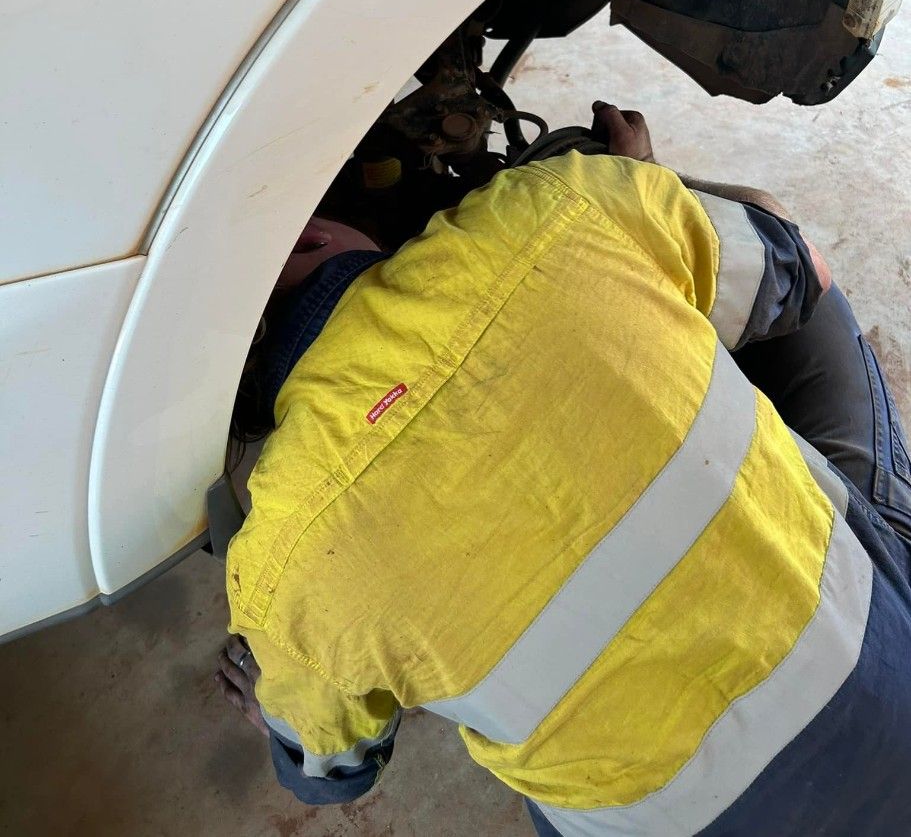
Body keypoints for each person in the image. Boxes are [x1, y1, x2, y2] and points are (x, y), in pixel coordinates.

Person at [215, 103, 911, 836]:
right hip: (890, 694)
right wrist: (638, 190)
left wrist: (286, 697)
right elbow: (799, 269)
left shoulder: (277, 571)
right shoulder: (554, 208)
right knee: (778, 252)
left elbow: (328, 773)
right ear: (314, 235)